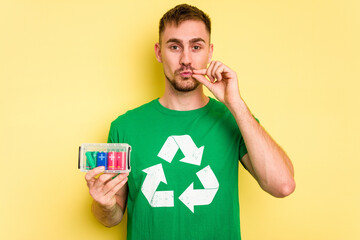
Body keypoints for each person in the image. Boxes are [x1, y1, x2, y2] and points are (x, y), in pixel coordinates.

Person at [85, 4, 295, 240]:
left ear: (210, 52)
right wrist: (104, 205)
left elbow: (283, 186)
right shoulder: (125, 127)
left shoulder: (234, 119)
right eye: (175, 46)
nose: (186, 59)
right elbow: (112, 217)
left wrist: (235, 104)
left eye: (196, 47)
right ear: (158, 52)